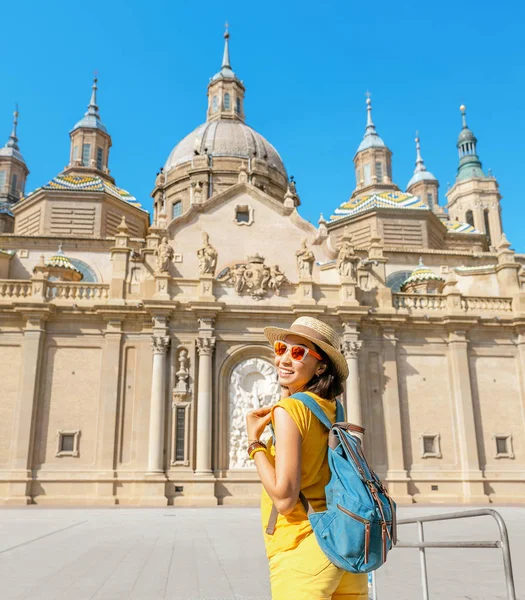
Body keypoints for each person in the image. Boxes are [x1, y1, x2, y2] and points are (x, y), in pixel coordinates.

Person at [246, 316, 367, 599]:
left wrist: (254, 444)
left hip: (303, 549)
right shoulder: (334, 408)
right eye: (281, 349)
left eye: (298, 352)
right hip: (345, 544)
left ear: (320, 365)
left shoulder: (288, 409)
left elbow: (285, 499)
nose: (284, 359)